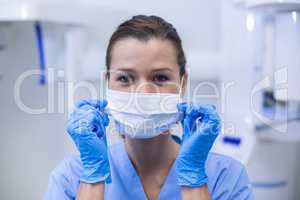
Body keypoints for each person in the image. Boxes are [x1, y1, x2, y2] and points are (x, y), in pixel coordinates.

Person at [44, 15, 254, 200]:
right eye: (125, 78)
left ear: (183, 83)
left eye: (160, 77)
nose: (143, 93)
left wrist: (193, 182)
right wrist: (93, 179)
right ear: (107, 83)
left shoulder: (226, 177)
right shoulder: (70, 177)